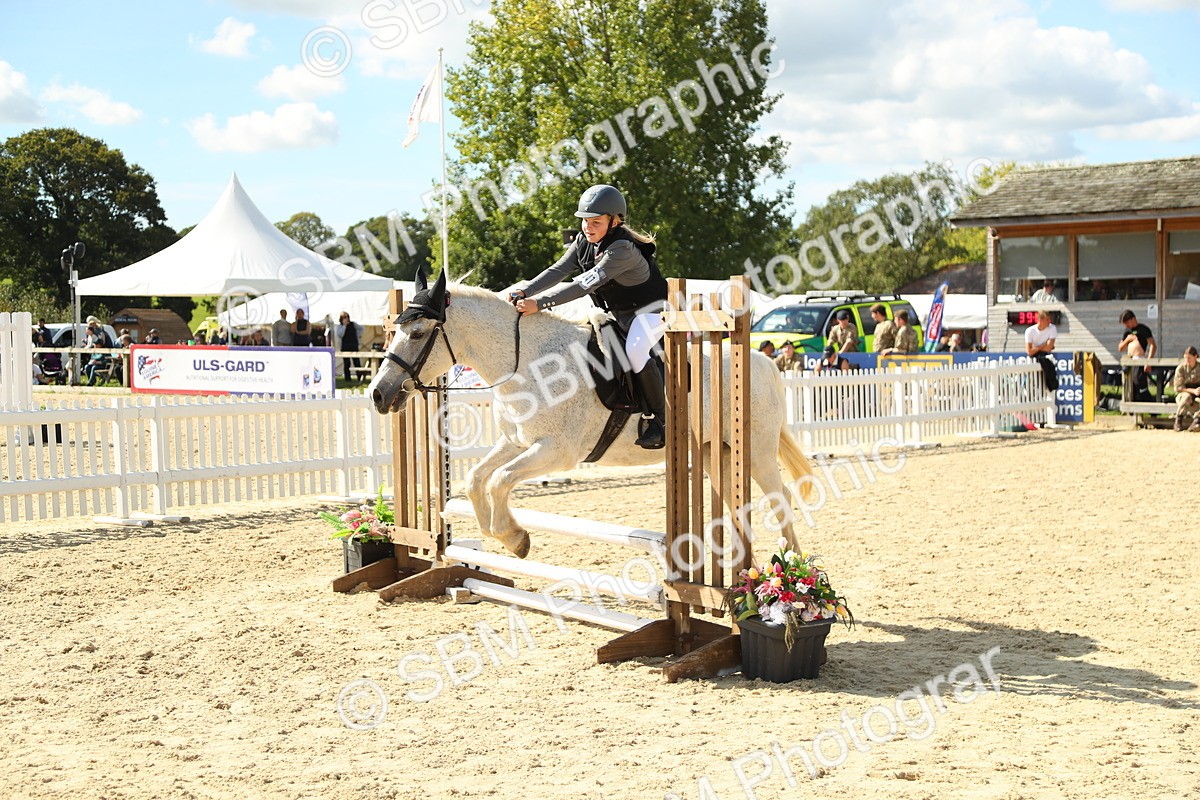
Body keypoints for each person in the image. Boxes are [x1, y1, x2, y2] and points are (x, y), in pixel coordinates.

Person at [506, 184, 669, 449]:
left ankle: (660, 421)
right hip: (618, 314)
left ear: (615, 221)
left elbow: (584, 285)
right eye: (585, 221)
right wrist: (525, 289)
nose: (588, 227)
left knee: (636, 349)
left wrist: (540, 303)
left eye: (596, 222)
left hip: (651, 312)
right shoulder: (584, 242)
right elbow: (558, 269)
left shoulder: (622, 250)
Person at [1025, 310, 1059, 420]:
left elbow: (1049, 348)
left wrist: (1037, 347)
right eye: (1047, 320)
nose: (1049, 321)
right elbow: (1029, 351)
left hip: (1045, 356)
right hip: (1033, 358)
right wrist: (1041, 346)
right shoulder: (1030, 331)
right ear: (1040, 320)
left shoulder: (1052, 328)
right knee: (1033, 385)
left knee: (1048, 375)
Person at [1118, 309, 1156, 401]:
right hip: (1129, 361)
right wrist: (1128, 339)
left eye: (1127, 322)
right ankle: (1133, 409)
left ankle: (1151, 406)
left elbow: (1153, 345)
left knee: (1140, 383)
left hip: (1139, 360)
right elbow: (1120, 348)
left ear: (1133, 319)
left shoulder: (1143, 329)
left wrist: (1148, 361)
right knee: (1131, 386)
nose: (1126, 325)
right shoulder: (1127, 331)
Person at [1172, 346, 1200, 432]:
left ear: (1195, 357)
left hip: (1197, 395)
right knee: (1186, 397)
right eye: (1186, 358)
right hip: (1183, 395)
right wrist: (1193, 391)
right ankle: (1178, 421)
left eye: (1189, 358)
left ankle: (1196, 422)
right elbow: (1178, 388)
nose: (1187, 360)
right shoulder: (1181, 369)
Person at [337, 312, 364, 382]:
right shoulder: (339, 326)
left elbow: (361, 329)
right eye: (344, 317)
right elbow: (340, 335)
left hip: (353, 345)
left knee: (357, 362)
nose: (346, 319)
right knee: (347, 363)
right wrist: (344, 326)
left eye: (347, 317)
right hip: (345, 347)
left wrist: (357, 335)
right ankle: (347, 379)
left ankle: (359, 377)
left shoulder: (353, 324)